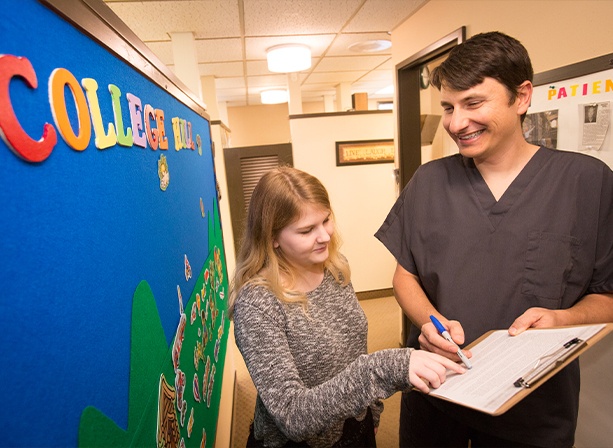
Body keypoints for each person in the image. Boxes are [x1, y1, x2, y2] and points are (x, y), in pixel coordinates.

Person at [376, 31, 613, 448]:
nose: (455, 123)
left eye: (473, 103)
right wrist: (429, 322)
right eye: (448, 107)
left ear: (522, 97)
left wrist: (561, 319)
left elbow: (608, 295)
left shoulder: (587, 183)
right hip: (437, 393)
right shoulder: (429, 182)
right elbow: (405, 274)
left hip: (532, 407)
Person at [229, 166, 465, 448]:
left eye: (326, 220)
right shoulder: (257, 303)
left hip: (354, 426)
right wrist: (382, 370)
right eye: (307, 230)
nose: (325, 237)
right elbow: (292, 415)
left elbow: (354, 351)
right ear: (272, 238)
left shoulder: (333, 268)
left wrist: (371, 413)